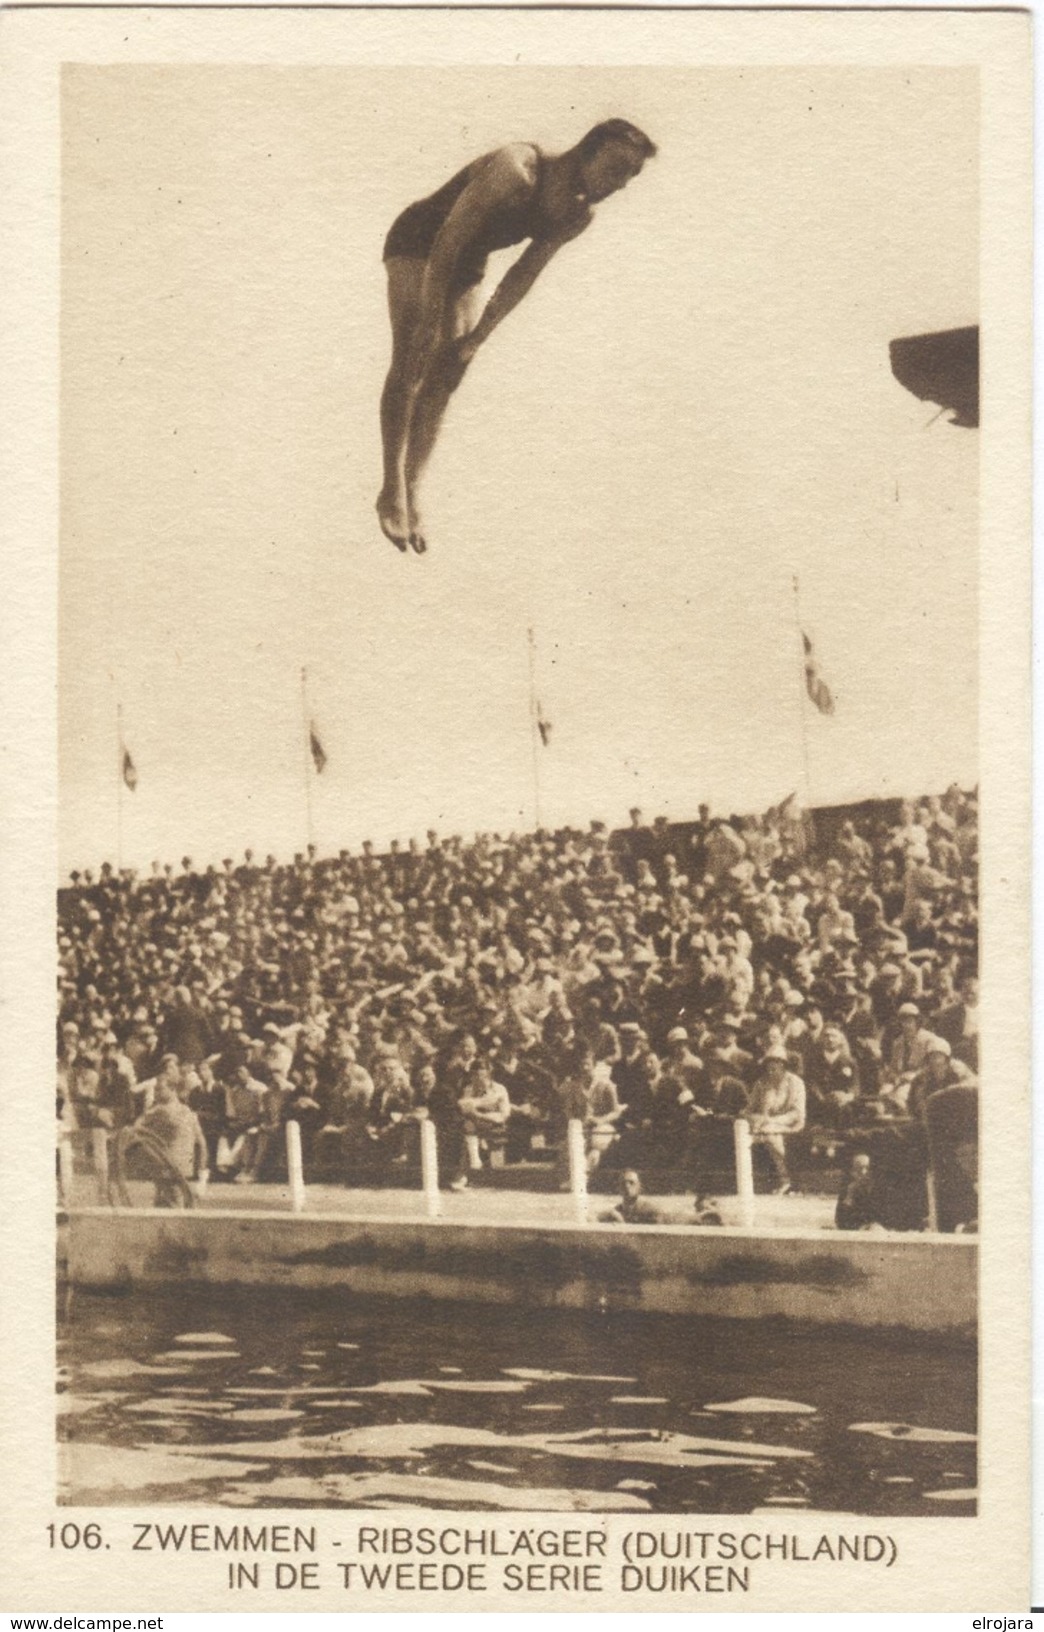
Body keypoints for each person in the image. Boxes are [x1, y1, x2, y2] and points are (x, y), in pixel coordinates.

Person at [377, 119, 657, 554]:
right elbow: (448, 240)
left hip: (471, 258)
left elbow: (523, 274)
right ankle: (391, 487)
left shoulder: (578, 214)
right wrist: (431, 316)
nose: (619, 183)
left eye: (630, 176)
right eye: (617, 167)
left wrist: (478, 338)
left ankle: (414, 490)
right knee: (414, 354)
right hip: (422, 239)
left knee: (449, 372)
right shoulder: (517, 168)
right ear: (589, 149)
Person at [598, 1168, 665, 1225]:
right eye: (623, 1183)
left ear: (640, 1187)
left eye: (631, 1182)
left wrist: (622, 1224)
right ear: (618, 1188)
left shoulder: (652, 1212)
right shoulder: (615, 1212)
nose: (627, 1186)